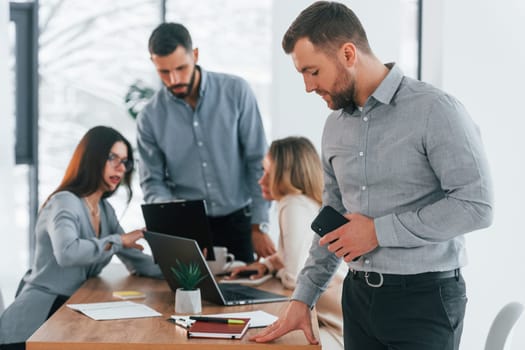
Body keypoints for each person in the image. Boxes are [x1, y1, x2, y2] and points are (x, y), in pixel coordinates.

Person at [251, 2, 494, 350]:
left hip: (424, 301)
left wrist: (378, 231)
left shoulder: (435, 110)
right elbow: (331, 220)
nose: (307, 86)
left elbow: (476, 205)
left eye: (313, 71)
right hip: (358, 297)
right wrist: (303, 298)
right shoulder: (334, 126)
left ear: (348, 53)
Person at [0, 126, 162, 349]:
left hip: (71, 311)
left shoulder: (105, 210)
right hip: (33, 324)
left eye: (125, 161)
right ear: (91, 158)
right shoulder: (64, 202)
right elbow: (67, 253)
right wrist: (118, 240)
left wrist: (192, 269)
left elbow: (137, 260)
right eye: (112, 157)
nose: (120, 167)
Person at [137, 22, 275, 263]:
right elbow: (153, 182)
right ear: (153, 64)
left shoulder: (236, 92)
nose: (174, 79)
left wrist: (258, 226)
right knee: (186, 299)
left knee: (245, 297)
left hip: (240, 223)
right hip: (188, 228)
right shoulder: (150, 117)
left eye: (181, 68)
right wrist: (172, 222)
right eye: (164, 72)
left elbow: (257, 161)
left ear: (196, 55)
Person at [229, 136, 344, 346]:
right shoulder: (301, 202)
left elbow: (293, 277)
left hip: (332, 326)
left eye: (267, 173)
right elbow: (289, 257)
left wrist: (278, 270)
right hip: (327, 318)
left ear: (286, 175)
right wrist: (267, 265)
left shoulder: (292, 205)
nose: (260, 180)